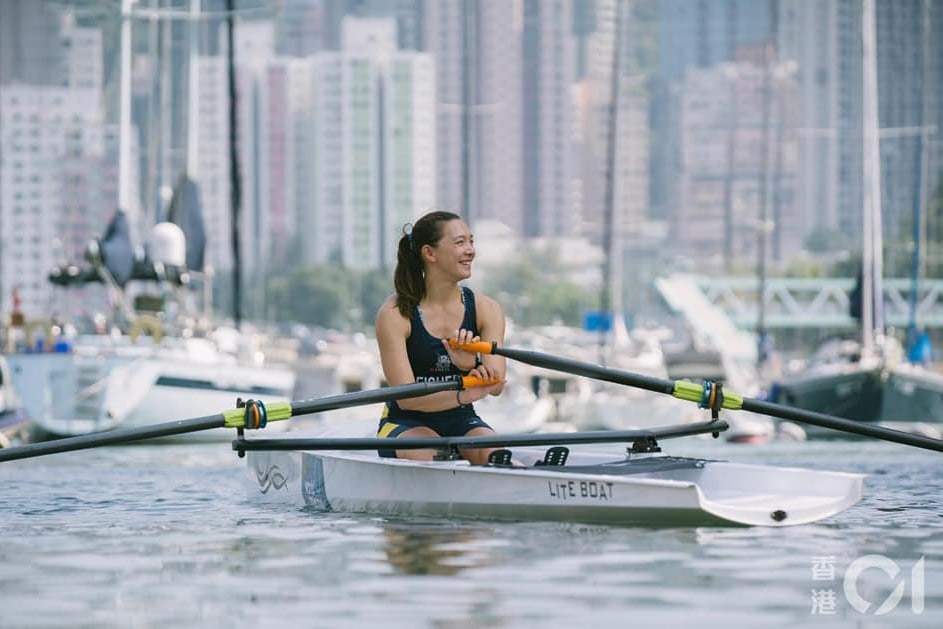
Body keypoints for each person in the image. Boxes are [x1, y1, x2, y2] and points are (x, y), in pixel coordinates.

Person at [375, 210, 506, 464]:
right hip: (404, 421)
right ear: (429, 253)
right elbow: (408, 399)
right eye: (460, 243)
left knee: (495, 453)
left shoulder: (487, 309)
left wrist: (470, 365)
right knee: (432, 455)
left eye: (471, 241)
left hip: (460, 418)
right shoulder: (395, 314)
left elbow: (497, 385)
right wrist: (466, 393)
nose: (470, 250)